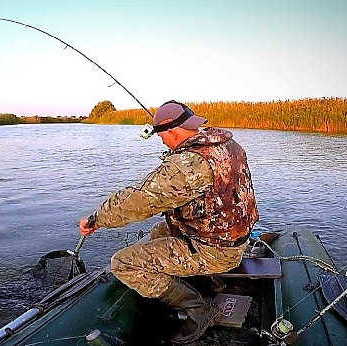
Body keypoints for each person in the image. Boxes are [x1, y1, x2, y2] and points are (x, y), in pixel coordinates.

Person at [79, 100, 259, 344]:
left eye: (161, 136)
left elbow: (137, 202)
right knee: (159, 231)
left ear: (171, 132)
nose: (162, 141)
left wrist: (96, 219)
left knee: (122, 264)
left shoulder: (187, 166)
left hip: (215, 250)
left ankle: (199, 310)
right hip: (230, 236)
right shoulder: (227, 143)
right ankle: (209, 280)